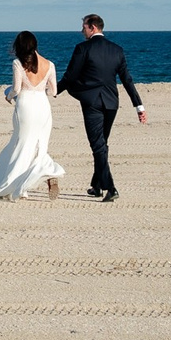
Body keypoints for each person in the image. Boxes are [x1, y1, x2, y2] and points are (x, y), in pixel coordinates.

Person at [62, 13, 145, 202]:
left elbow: (70, 76)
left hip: (93, 103)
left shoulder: (82, 48)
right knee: (101, 145)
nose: (81, 29)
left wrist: (54, 90)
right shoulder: (117, 50)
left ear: (92, 27)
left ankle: (110, 187)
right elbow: (127, 80)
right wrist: (138, 106)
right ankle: (97, 185)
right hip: (111, 103)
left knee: (98, 145)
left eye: (83, 26)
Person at [0, 30, 63, 201]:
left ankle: (18, 185)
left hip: (26, 105)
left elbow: (16, 89)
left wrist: (8, 96)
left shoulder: (18, 63)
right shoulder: (49, 64)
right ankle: (43, 172)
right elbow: (54, 91)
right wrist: (41, 90)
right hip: (43, 106)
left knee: (20, 144)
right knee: (39, 145)